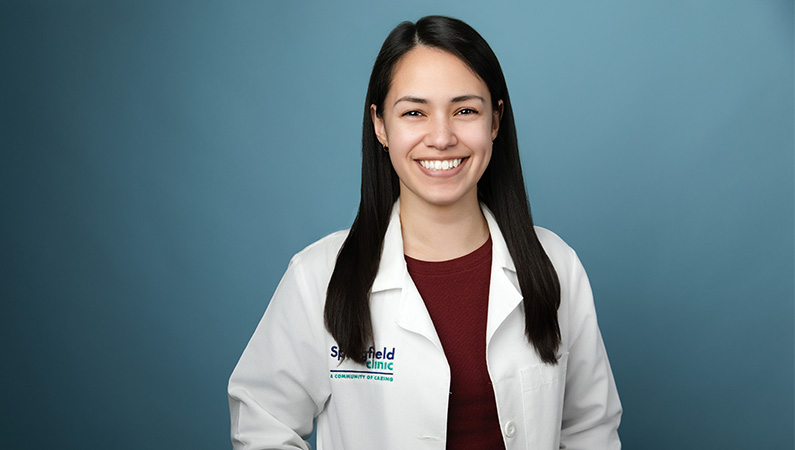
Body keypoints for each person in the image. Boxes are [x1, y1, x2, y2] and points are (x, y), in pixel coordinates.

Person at [228, 15, 621, 450]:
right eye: (414, 112)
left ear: (495, 121)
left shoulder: (555, 264)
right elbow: (262, 423)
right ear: (380, 125)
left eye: (465, 110)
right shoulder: (317, 277)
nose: (441, 137)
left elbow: (591, 431)